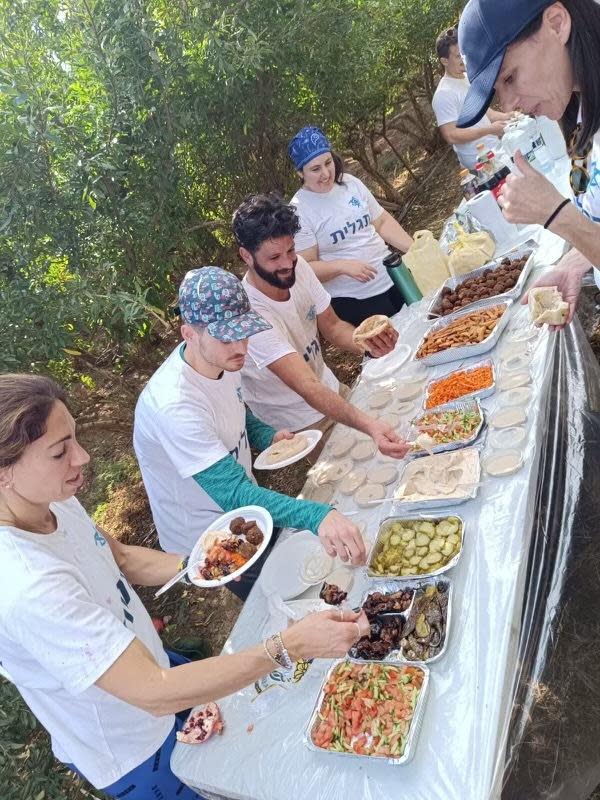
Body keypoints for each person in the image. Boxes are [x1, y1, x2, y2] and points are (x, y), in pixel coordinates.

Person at [0, 373, 370, 800]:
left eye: (75, 439)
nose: (81, 457)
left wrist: (202, 566)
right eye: (60, 451)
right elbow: (152, 693)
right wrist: (287, 647)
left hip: (158, 667)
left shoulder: (52, 500)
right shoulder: (26, 585)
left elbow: (117, 556)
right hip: (134, 744)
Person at [133, 266, 366, 594]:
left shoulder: (222, 359)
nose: (241, 346)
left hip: (245, 507)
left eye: (243, 332)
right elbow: (233, 494)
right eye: (227, 336)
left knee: (301, 577)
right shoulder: (174, 406)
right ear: (189, 334)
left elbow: (235, 409)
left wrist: (266, 435)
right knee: (274, 594)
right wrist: (317, 516)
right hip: (209, 532)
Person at [232, 193, 411, 459]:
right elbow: (306, 386)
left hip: (332, 390)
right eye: (273, 258)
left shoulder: (299, 266)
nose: (286, 264)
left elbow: (333, 326)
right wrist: (369, 426)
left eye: (290, 250)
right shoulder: (250, 314)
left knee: (396, 440)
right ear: (247, 256)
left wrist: (368, 345)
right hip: (300, 422)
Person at [456, 0, 600, 326]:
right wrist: (576, 261)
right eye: (498, 92)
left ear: (557, 23)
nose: (509, 105)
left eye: (510, 77)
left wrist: (557, 215)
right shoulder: (579, 108)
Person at [287, 125, 414, 326]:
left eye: (328, 163)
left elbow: (381, 222)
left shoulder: (350, 183)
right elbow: (305, 267)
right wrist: (342, 267)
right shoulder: (299, 210)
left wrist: (415, 249)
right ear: (300, 173)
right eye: (315, 169)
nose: (326, 173)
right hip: (356, 300)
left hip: (394, 278)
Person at [431, 26, 512, 170]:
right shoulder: (443, 94)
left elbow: (485, 113)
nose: (462, 59)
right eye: (457, 56)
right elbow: (451, 135)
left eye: (463, 52)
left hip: (496, 150)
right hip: (479, 165)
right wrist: (489, 130)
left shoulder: (468, 78)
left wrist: (508, 117)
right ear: (444, 61)